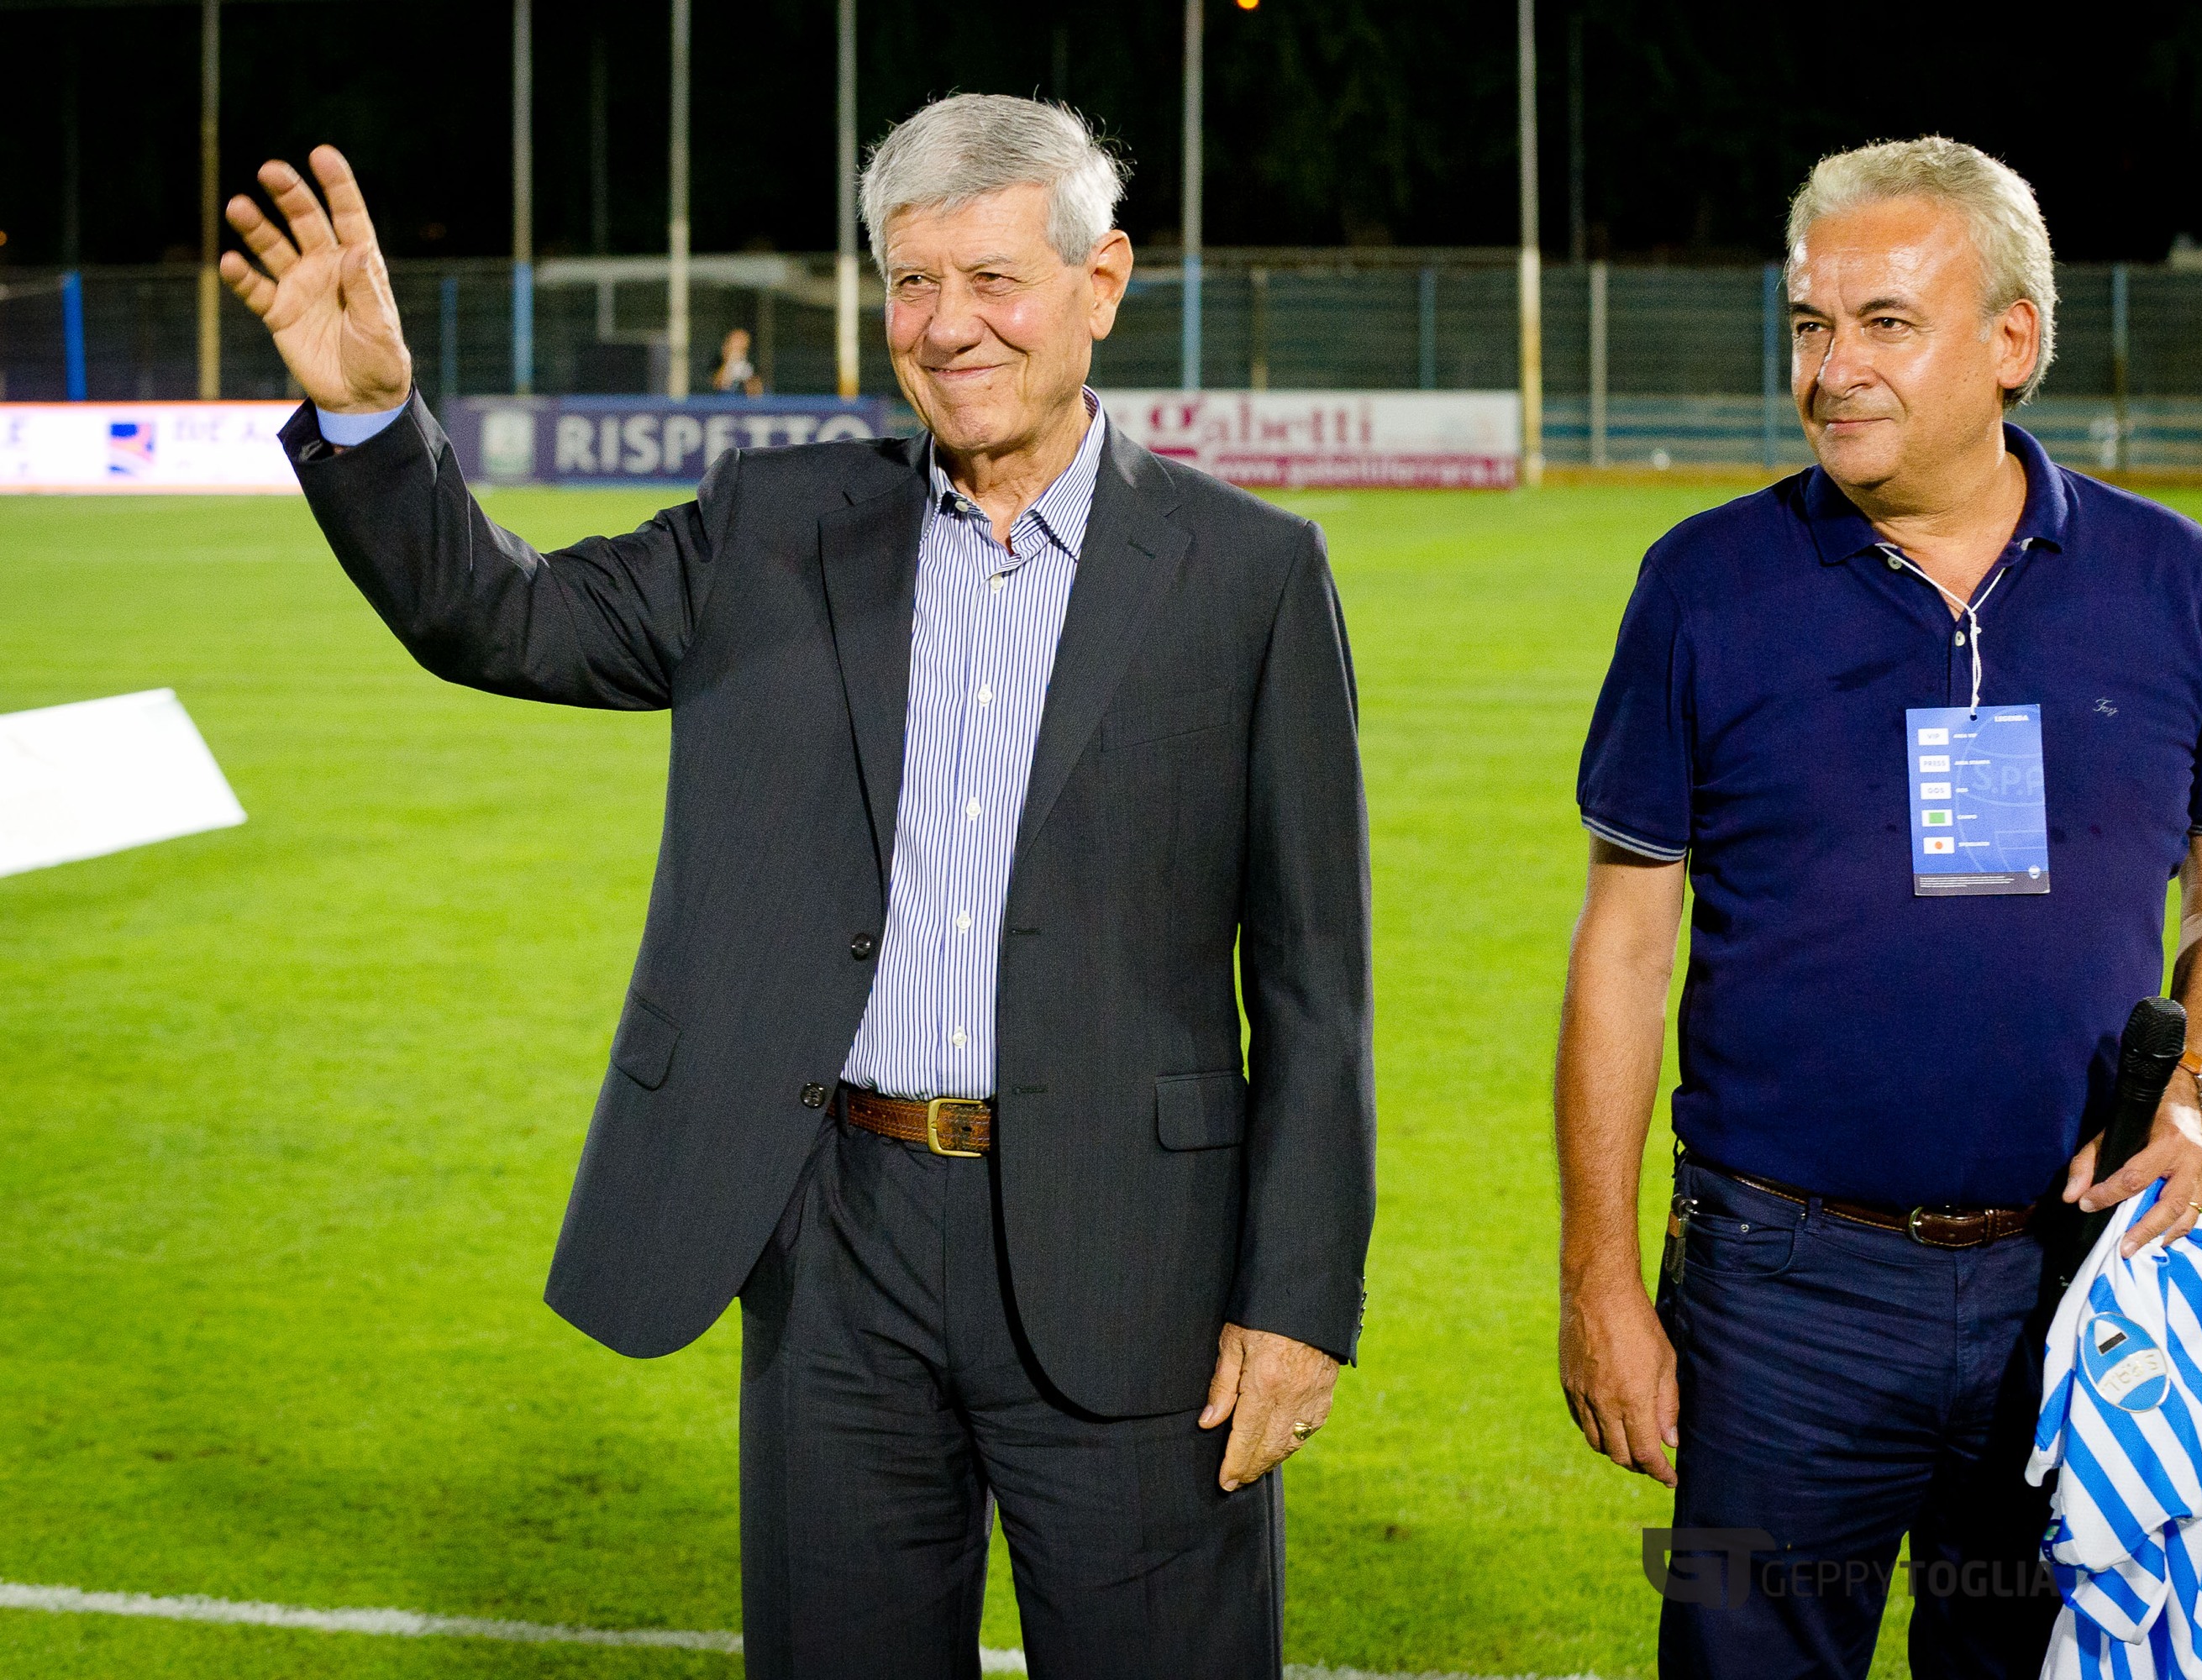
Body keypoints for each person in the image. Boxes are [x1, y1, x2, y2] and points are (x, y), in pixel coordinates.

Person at [218, 95, 1373, 1680]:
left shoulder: (1251, 574)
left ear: (1100, 284)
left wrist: (1296, 1301)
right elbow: (504, 617)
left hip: (1138, 1261)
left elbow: (1315, 988)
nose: (948, 327)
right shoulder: (774, 528)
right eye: (913, 282)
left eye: (993, 280)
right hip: (837, 1249)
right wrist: (372, 423)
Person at [1553, 137, 2202, 1680]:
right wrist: (1600, 1280)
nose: (1833, 370)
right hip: (1778, 1296)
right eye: (1811, 326)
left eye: (1886, 322)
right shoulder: (1702, 586)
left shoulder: (2168, 577)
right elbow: (1623, 947)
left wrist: (2193, 1090)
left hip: (2068, 1286)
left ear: (2014, 340)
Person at [712, 325, 764, 396]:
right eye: (735, 340)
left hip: (743, 400)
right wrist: (727, 360)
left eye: (741, 339)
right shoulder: (719, 360)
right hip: (723, 400)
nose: (738, 344)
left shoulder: (751, 361)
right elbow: (717, 384)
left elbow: (757, 391)